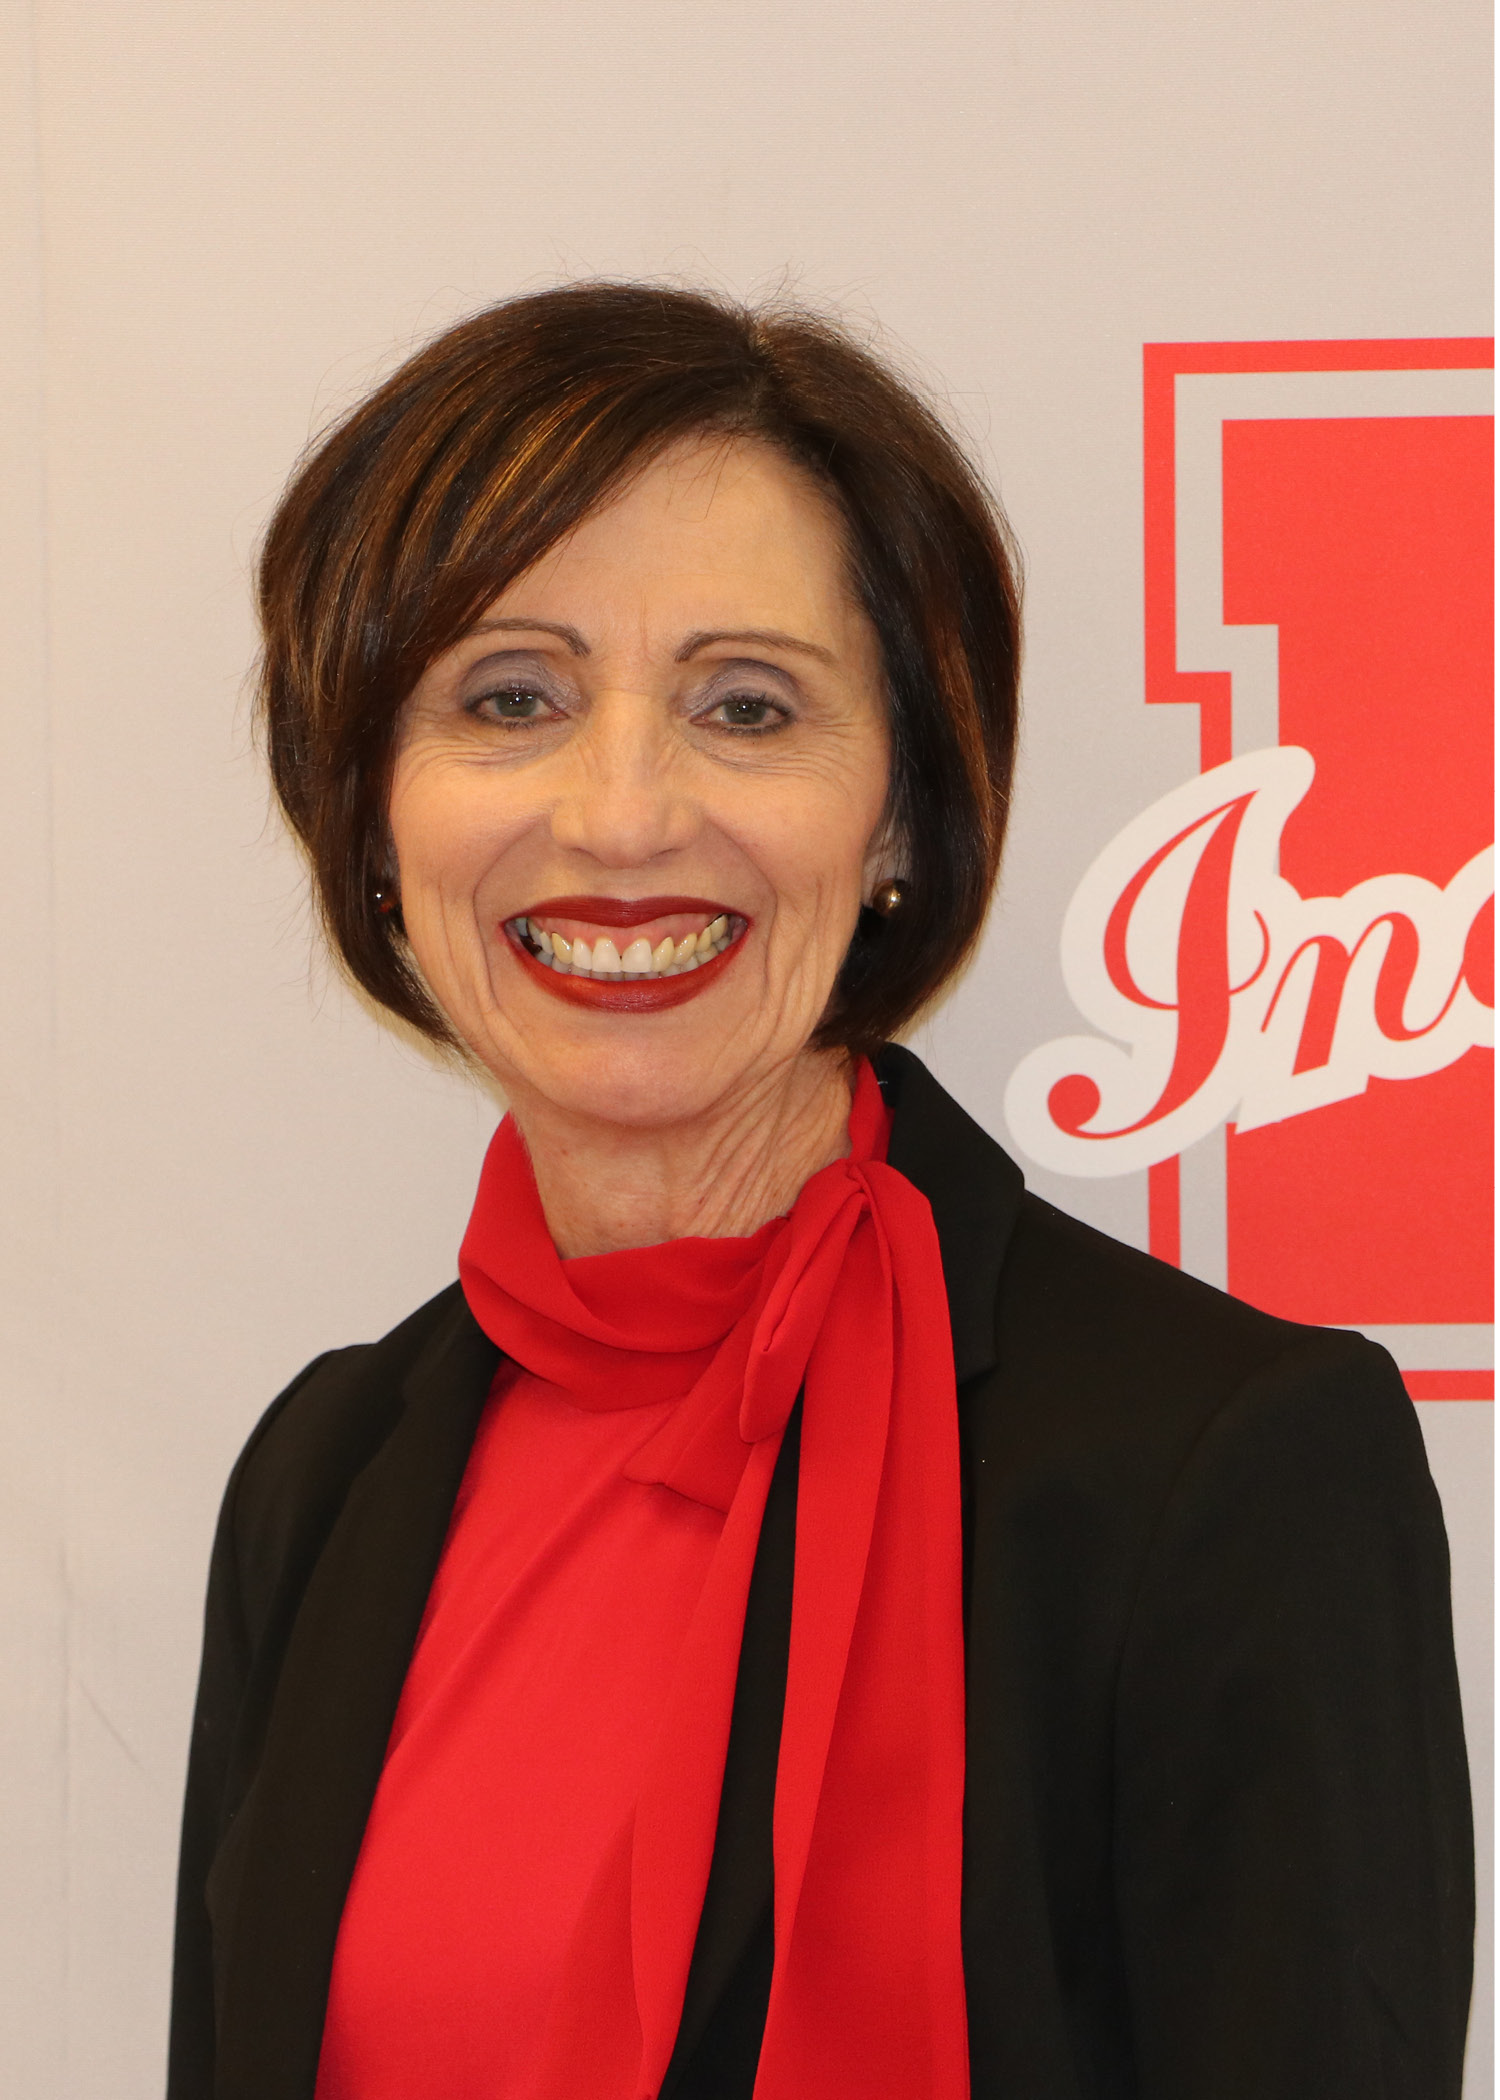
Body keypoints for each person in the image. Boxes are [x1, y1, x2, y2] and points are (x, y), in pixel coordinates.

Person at [168, 283, 1473, 2100]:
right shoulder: (323, 1475)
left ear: (900, 821)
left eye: (748, 705)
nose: (622, 815)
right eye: (511, 695)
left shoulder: (1225, 1468)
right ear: (373, 815)